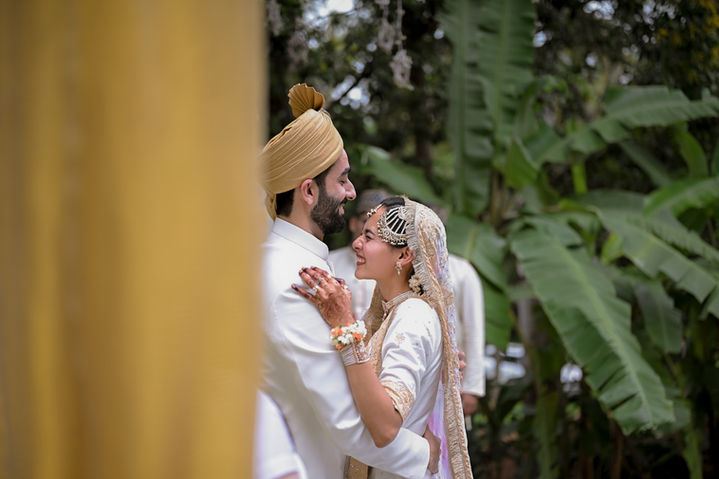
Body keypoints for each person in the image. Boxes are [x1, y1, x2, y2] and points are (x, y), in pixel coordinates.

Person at [260, 83, 439, 479]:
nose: (352, 192)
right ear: (308, 191)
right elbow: (347, 421)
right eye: (342, 180)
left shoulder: (270, 261)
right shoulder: (296, 281)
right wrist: (423, 453)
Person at [294, 196, 473, 478]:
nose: (356, 243)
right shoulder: (392, 313)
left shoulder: (413, 316)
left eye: (369, 236)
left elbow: (386, 425)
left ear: (404, 255)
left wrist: (345, 326)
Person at [329, 189, 390, 319]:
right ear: (353, 223)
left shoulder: (391, 269)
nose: (372, 229)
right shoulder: (329, 262)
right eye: (366, 221)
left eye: (380, 225)